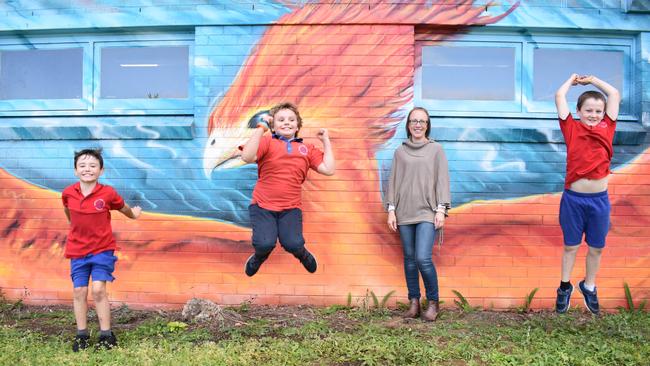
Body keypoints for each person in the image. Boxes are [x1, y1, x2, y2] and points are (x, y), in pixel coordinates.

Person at [240, 102, 335, 277]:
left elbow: (328, 169)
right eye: (281, 119)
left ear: (297, 125)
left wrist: (326, 141)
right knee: (264, 244)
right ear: (273, 125)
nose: (286, 122)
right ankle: (258, 258)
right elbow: (246, 156)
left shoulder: (307, 149)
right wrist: (261, 128)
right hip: (263, 206)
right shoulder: (267, 142)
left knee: (293, 244)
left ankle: (302, 254)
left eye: (291, 119)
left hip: (290, 208)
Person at [62, 148, 142, 351]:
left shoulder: (108, 193)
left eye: (92, 165)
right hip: (77, 250)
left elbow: (123, 207)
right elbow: (68, 211)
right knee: (79, 290)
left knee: (98, 289)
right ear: (75, 170)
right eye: (82, 165)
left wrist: (134, 214)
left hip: (102, 249)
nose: (87, 169)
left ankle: (106, 335)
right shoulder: (68, 193)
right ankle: (81, 335)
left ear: (101, 170)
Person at [554, 74, 620, 315]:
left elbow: (614, 94)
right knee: (570, 246)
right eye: (588, 110)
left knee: (596, 247)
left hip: (599, 201)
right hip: (573, 200)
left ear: (604, 114)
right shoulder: (571, 128)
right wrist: (571, 80)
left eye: (598, 111)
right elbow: (559, 95)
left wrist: (593, 80)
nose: (593, 115)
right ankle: (564, 287)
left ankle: (589, 285)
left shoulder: (608, 127)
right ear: (579, 111)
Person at [386, 107, 451, 321]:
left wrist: (441, 209)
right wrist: (391, 209)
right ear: (408, 124)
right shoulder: (400, 151)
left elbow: (442, 180)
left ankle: (433, 303)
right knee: (410, 260)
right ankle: (413, 302)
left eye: (422, 121)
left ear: (427, 125)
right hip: (404, 212)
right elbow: (393, 181)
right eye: (414, 121)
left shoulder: (436, 150)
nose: (418, 124)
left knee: (423, 258)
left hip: (427, 212)